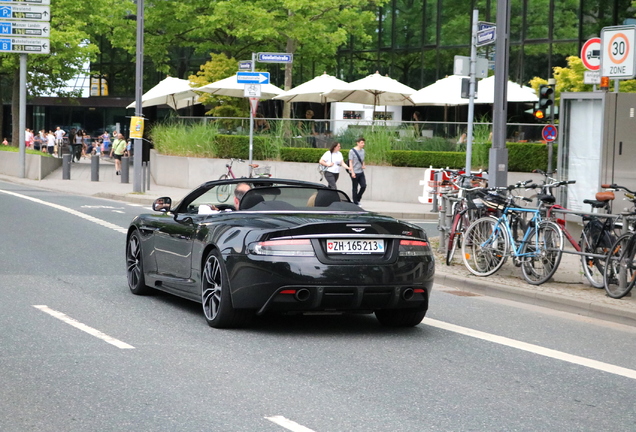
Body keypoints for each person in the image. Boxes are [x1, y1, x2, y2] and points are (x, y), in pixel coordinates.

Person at [348, 137, 367, 205]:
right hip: (354, 171)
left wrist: (363, 165)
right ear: (358, 143)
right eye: (362, 143)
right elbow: (350, 162)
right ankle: (355, 202)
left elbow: (362, 160)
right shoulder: (352, 151)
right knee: (355, 187)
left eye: (364, 143)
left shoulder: (363, 151)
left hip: (360, 171)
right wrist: (352, 172)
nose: (363, 144)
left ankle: (358, 198)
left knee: (363, 185)